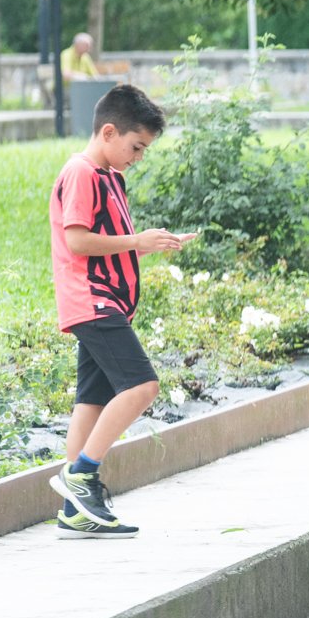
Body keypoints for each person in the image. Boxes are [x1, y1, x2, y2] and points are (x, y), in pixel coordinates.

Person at [47, 85, 194, 538]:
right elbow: (76, 241)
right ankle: (81, 475)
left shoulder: (111, 176)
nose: (139, 157)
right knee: (143, 385)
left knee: (91, 401)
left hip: (106, 302)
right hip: (92, 300)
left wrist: (152, 244)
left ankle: (75, 512)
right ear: (109, 132)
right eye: (136, 147)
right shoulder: (82, 172)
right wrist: (136, 240)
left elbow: (108, 243)